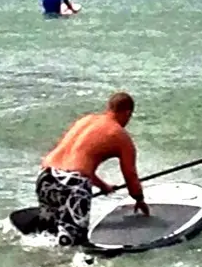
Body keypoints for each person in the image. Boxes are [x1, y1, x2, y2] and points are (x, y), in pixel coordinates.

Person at [36, 91, 150, 246]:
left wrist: (103, 186)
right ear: (128, 112)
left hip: (46, 175)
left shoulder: (85, 120)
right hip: (73, 185)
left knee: (49, 235)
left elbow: (75, 163)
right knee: (73, 244)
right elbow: (130, 174)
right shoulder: (120, 136)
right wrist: (139, 199)